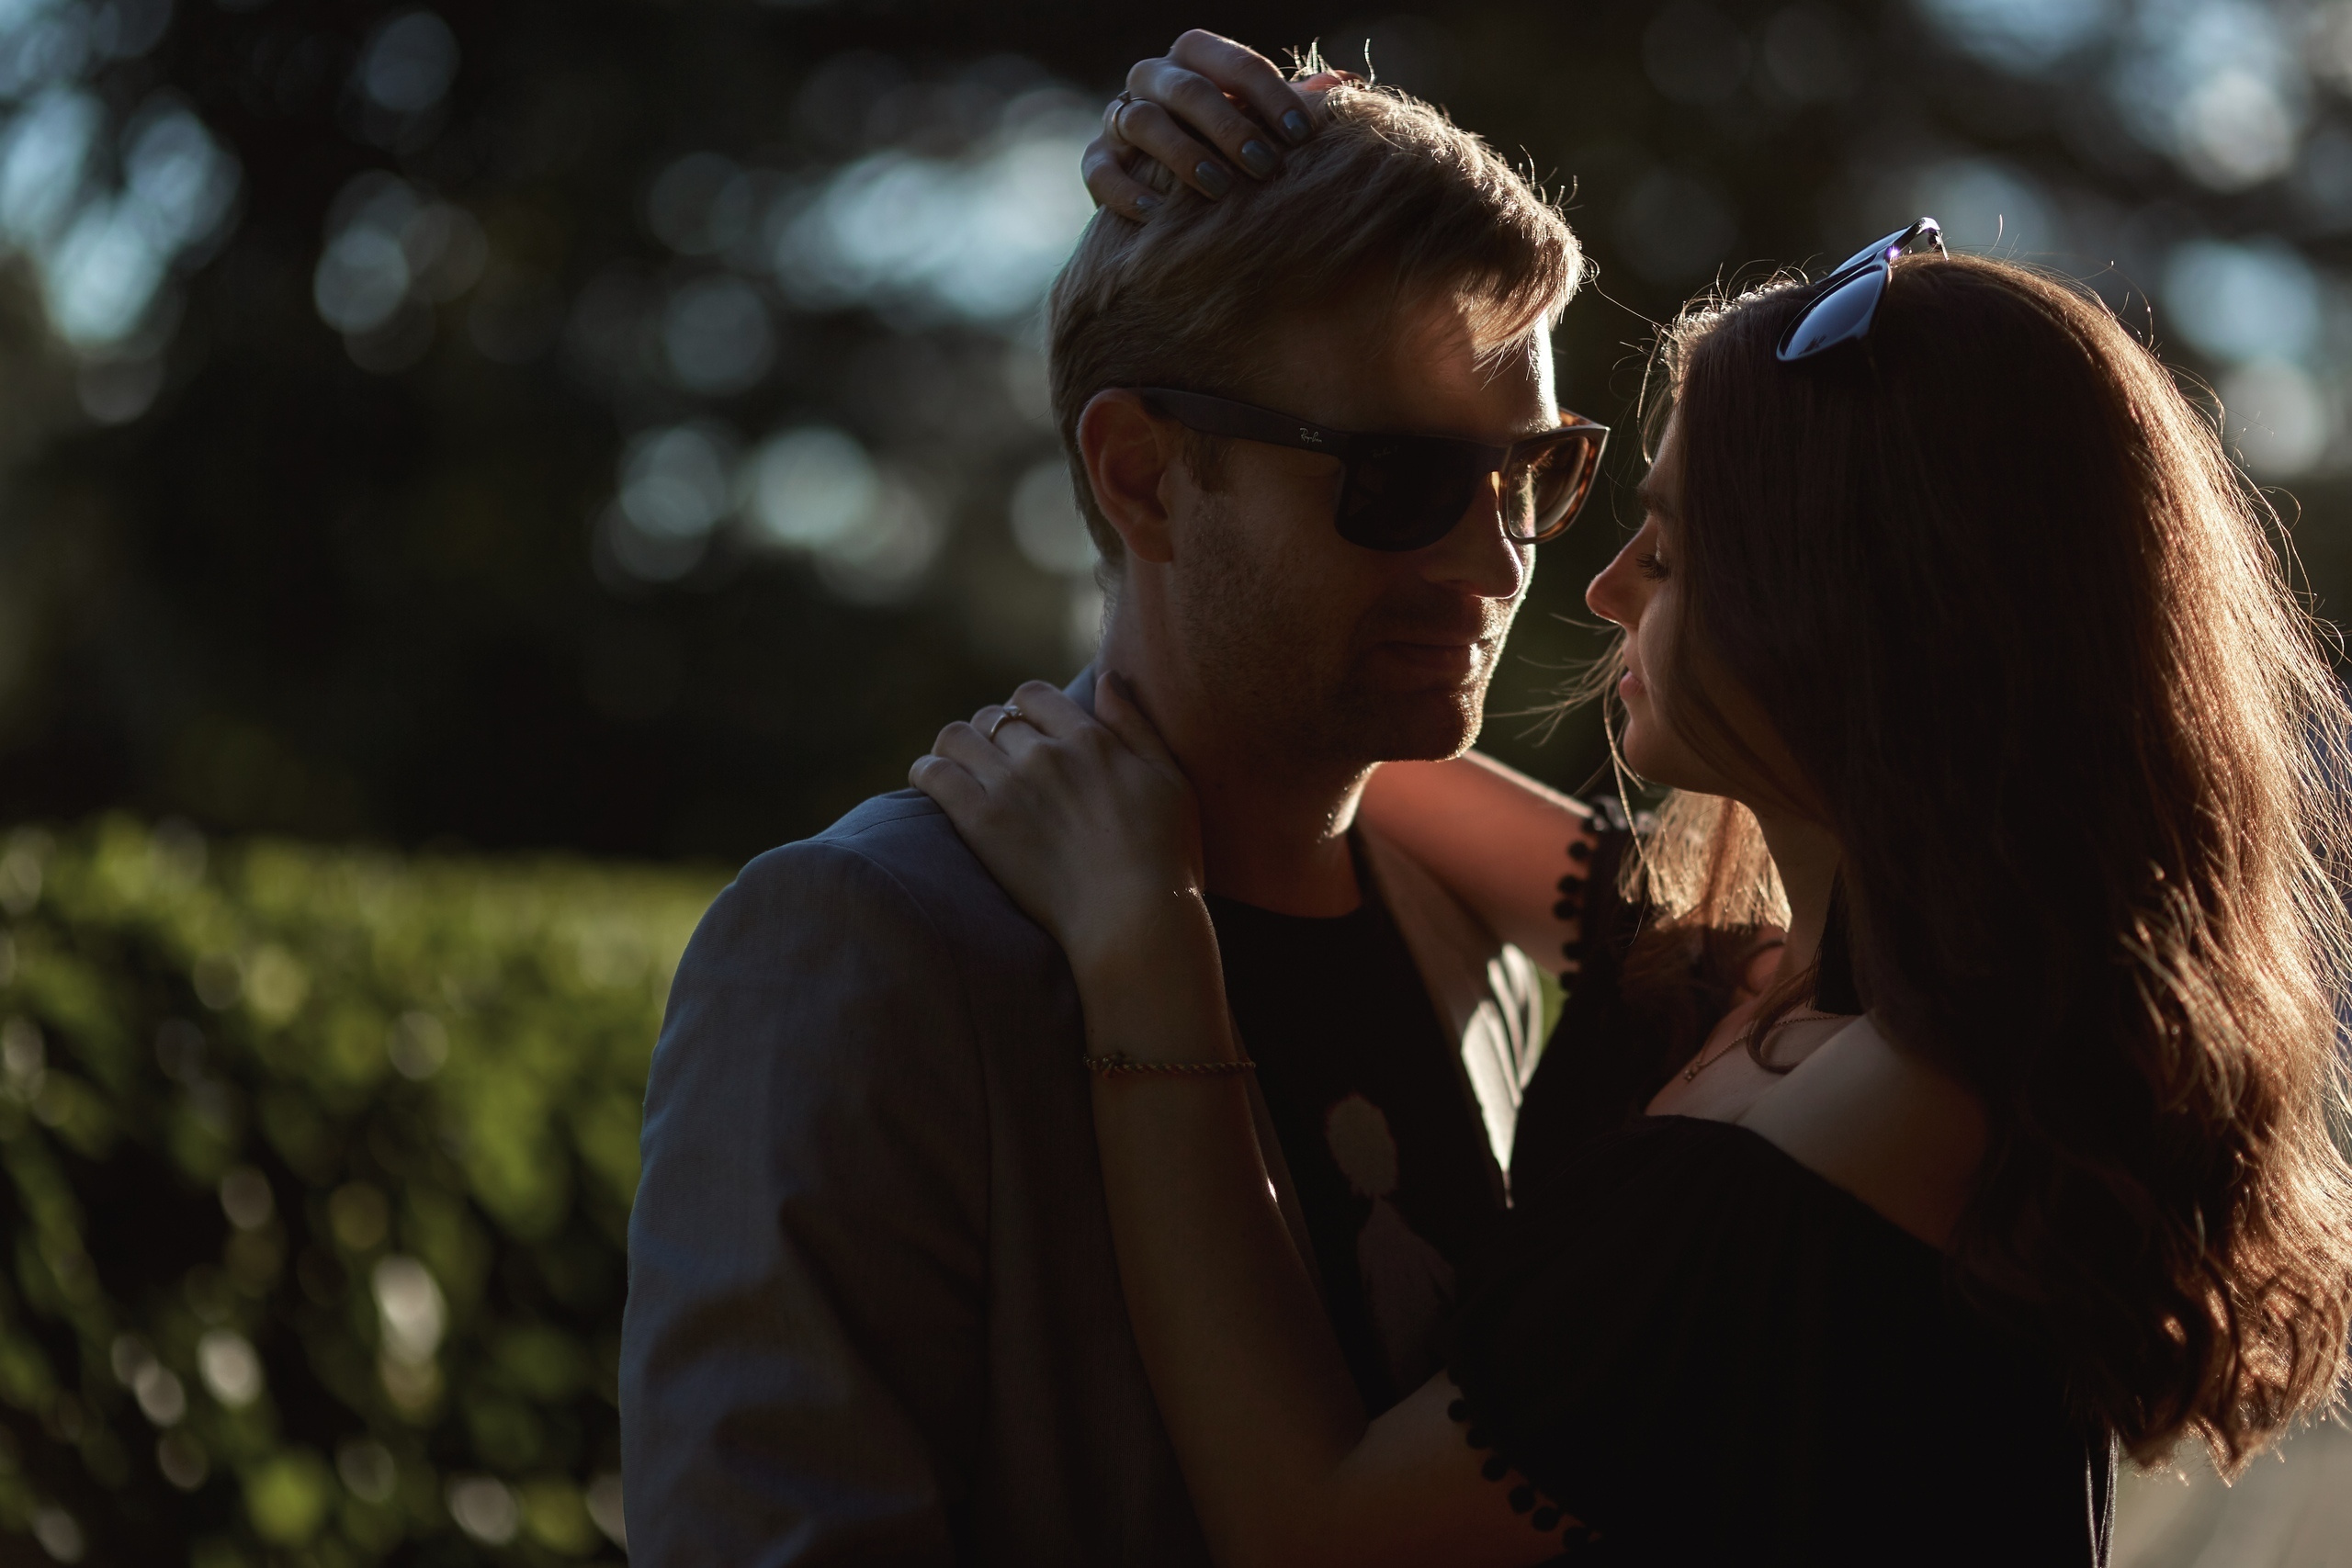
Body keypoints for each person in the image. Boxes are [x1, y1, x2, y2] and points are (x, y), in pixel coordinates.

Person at [914, 188, 2352, 1567]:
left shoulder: (1874, 1126)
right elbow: (1337, 723)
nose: (1604, 591)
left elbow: (1318, 1531)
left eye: (1667, 552)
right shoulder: (1782, 991)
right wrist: (1303, 167)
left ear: (1841, 608)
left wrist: (1142, 947)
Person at [619, 62, 1622, 1565]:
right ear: (1142, 477)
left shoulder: (1469, 935)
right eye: (1401, 478)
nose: (1497, 564)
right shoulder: (863, 949)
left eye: (1532, 472)